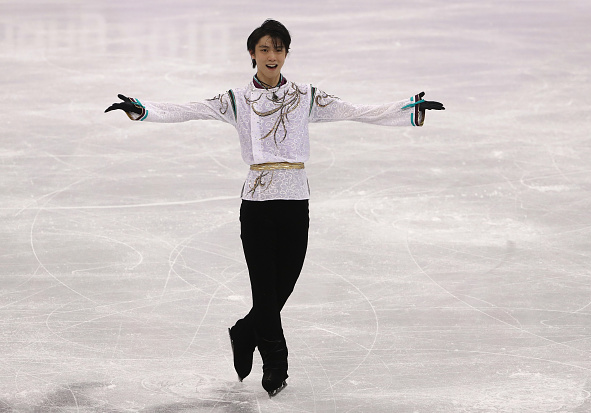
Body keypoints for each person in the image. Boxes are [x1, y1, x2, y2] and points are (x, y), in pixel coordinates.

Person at [105, 19, 444, 397]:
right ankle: (275, 363)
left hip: (296, 199)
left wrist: (408, 108)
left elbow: (356, 110)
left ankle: (245, 331)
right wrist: (143, 109)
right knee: (265, 289)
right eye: (264, 49)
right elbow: (190, 109)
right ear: (252, 54)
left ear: (286, 54)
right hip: (257, 202)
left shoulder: (306, 96)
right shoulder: (236, 100)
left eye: (278, 49)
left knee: (285, 283)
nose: (272, 55)